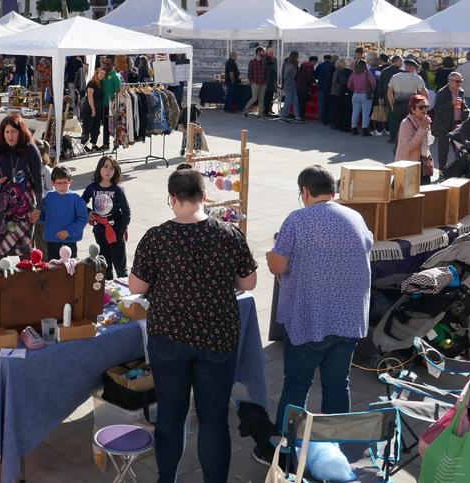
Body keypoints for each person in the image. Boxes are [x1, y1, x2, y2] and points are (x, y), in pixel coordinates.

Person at [130, 168, 256, 483]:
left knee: (171, 417)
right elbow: (249, 281)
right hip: (217, 337)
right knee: (213, 419)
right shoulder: (227, 233)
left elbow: (136, 286)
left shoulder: (157, 237)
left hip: (169, 337)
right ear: (204, 197)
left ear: (172, 199)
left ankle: (166, 479)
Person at [269, 165, 371, 431]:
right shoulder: (355, 217)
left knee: (297, 384)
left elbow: (278, 266)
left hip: (310, 319)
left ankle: (286, 447)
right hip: (349, 319)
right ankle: (334, 444)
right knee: (338, 383)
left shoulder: (297, 219)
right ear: (333, 191)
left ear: (305, 191)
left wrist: (271, 256)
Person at [0, 114, 43, 259]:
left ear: (20, 132)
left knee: (25, 253)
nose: (10, 135)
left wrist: (39, 207)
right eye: (7, 132)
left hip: (25, 209)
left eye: (13, 131)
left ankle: (26, 281)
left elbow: (38, 180)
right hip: (3, 208)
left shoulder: (31, 149)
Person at [81, 156, 131, 278]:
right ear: (99, 169)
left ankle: (124, 292)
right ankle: (107, 292)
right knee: (105, 265)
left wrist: (121, 229)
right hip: (100, 231)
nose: (108, 170)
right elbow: (81, 203)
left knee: (120, 266)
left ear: (115, 171)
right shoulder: (92, 187)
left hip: (116, 232)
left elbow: (126, 211)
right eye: (105, 167)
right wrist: (88, 212)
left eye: (112, 168)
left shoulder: (118, 189)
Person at [41, 167, 87, 261]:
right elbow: (43, 215)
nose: (62, 186)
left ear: (70, 182)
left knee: (70, 269)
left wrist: (69, 232)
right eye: (58, 183)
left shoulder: (76, 199)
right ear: (52, 183)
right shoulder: (48, 197)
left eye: (65, 182)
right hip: (52, 241)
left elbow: (82, 219)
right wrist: (36, 217)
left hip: (69, 241)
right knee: (53, 268)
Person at [387, 58, 427, 143]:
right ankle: (407, 140)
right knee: (409, 123)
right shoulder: (416, 78)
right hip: (411, 105)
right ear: (412, 68)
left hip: (397, 104)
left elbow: (389, 92)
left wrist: (392, 104)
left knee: (397, 123)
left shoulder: (395, 77)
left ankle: (394, 139)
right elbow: (425, 93)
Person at [396, 95, 433, 183]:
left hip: (423, 165)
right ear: (413, 110)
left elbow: (428, 143)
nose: (424, 110)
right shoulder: (406, 123)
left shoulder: (425, 121)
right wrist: (422, 129)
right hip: (408, 165)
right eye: (421, 107)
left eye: (426, 107)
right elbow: (408, 147)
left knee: (427, 194)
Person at [431, 72, 463, 168]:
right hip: (444, 124)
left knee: (459, 146)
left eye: (461, 81)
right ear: (450, 81)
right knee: (443, 147)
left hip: (456, 123)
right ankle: (442, 168)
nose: (459, 84)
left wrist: (466, 110)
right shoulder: (442, 93)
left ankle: (460, 166)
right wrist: (451, 103)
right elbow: (437, 109)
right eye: (457, 81)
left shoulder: (461, 91)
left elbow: (461, 104)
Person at [373, 55, 401, 135]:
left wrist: (380, 96)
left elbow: (379, 83)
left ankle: (380, 129)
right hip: (396, 93)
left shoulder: (383, 70)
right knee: (392, 112)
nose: (401, 63)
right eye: (400, 61)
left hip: (385, 93)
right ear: (394, 61)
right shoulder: (400, 72)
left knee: (382, 110)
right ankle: (389, 129)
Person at [347, 59, 376, 136]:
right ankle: (364, 129)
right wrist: (371, 89)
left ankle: (354, 128)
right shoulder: (367, 73)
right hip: (365, 94)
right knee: (366, 113)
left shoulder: (353, 73)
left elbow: (349, 84)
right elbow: (373, 83)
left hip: (355, 94)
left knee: (355, 112)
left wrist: (354, 89)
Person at [81, 68, 107, 151]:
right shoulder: (92, 83)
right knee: (87, 127)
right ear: (97, 73)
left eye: (104, 74)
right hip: (89, 107)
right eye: (101, 73)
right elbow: (90, 97)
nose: (102, 75)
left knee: (96, 127)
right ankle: (84, 145)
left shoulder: (101, 83)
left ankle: (94, 145)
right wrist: (93, 109)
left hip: (98, 107)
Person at [243, 47, 266, 118]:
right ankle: (246, 109)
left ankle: (260, 115)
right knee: (254, 98)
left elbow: (266, 72)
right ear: (258, 52)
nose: (264, 53)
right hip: (255, 82)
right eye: (262, 52)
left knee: (261, 99)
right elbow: (249, 73)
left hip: (263, 82)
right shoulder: (252, 62)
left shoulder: (264, 61)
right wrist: (252, 82)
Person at [329, 58, 351, 132]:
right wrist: (341, 87)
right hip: (336, 92)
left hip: (337, 92)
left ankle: (335, 122)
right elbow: (334, 82)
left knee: (337, 108)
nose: (345, 64)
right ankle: (333, 122)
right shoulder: (338, 71)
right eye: (344, 62)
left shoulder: (339, 71)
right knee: (335, 108)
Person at [294, 55, 316, 123]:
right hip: (305, 87)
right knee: (303, 103)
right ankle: (301, 117)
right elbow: (309, 76)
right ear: (314, 61)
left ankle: (299, 116)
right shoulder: (309, 66)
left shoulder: (303, 64)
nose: (315, 64)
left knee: (300, 102)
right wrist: (314, 81)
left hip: (299, 86)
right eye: (315, 62)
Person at [314, 54, 335, 124]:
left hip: (321, 87)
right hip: (329, 88)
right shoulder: (332, 66)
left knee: (321, 104)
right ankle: (327, 119)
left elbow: (315, 76)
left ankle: (321, 119)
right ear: (330, 59)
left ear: (324, 59)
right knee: (328, 104)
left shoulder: (319, 66)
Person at [274, 49, 292, 121]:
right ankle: (284, 114)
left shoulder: (285, 65)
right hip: (288, 84)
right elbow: (285, 75)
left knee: (287, 100)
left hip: (286, 84)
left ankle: (284, 113)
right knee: (288, 100)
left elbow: (283, 75)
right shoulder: (288, 65)